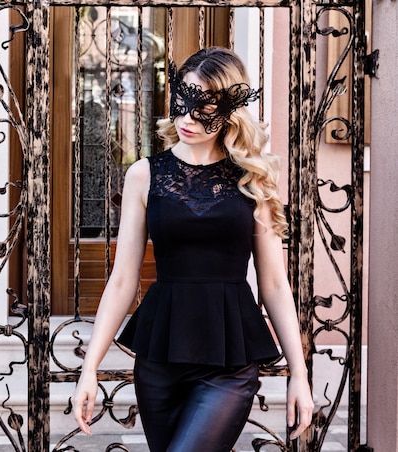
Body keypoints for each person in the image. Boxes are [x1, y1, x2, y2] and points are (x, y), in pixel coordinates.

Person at [71, 46, 314, 451]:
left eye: (202, 108)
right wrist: (89, 368)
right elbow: (122, 281)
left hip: (229, 363)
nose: (186, 118)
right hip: (161, 359)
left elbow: (273, 285)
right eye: (182, 101)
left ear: (230, 110)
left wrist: (300, 374)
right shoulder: (144, 175)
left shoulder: (254, 179)